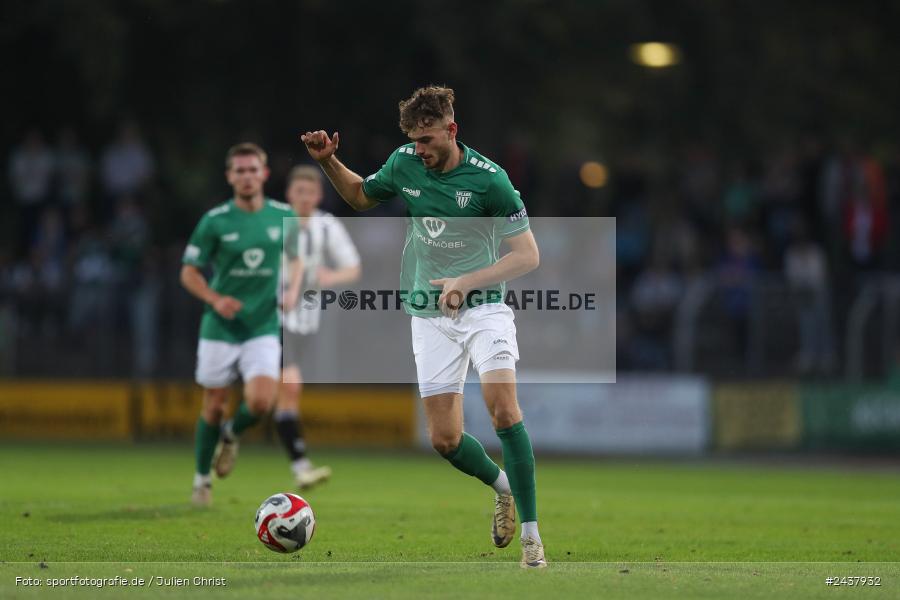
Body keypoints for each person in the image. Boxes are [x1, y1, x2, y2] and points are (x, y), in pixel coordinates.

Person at [301, 85, 546, 568]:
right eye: (415, 141)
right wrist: (330, 160)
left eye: (429, 140)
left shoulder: (490, 181)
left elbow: (527, 256)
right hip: (429, 313)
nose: (421, 151)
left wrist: (466, 280)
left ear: (451, 131)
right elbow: (358, 196)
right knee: (445, 440)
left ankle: (533, 541)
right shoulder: (404, 163)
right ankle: (504, 489)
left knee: (503, 410)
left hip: (483, 310)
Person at [180, 143, 293, 506]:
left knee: (261, 402)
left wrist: (293, 288)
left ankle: (231, 435)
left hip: (261, 325)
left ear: (264, 174)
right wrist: (215, 299)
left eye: (252, 169)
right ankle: (201, 482)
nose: (246, 176)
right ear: (230, 176)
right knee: (213, 405)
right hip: (221, 325)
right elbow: (189, 272)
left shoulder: (283, 216)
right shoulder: (215, 221)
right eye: (239, 171)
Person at [279, 165, 361, 488]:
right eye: (298, 191)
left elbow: (353, 269)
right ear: (289, 195)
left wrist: (330, 277)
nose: (303, 198)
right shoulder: (276, 222)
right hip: (272, 315)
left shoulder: (327, 227)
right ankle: (300, 466)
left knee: (272, 397)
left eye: (309, 192)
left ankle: (231, 435)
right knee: (289, 386)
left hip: (305, 320)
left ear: (318, 196)